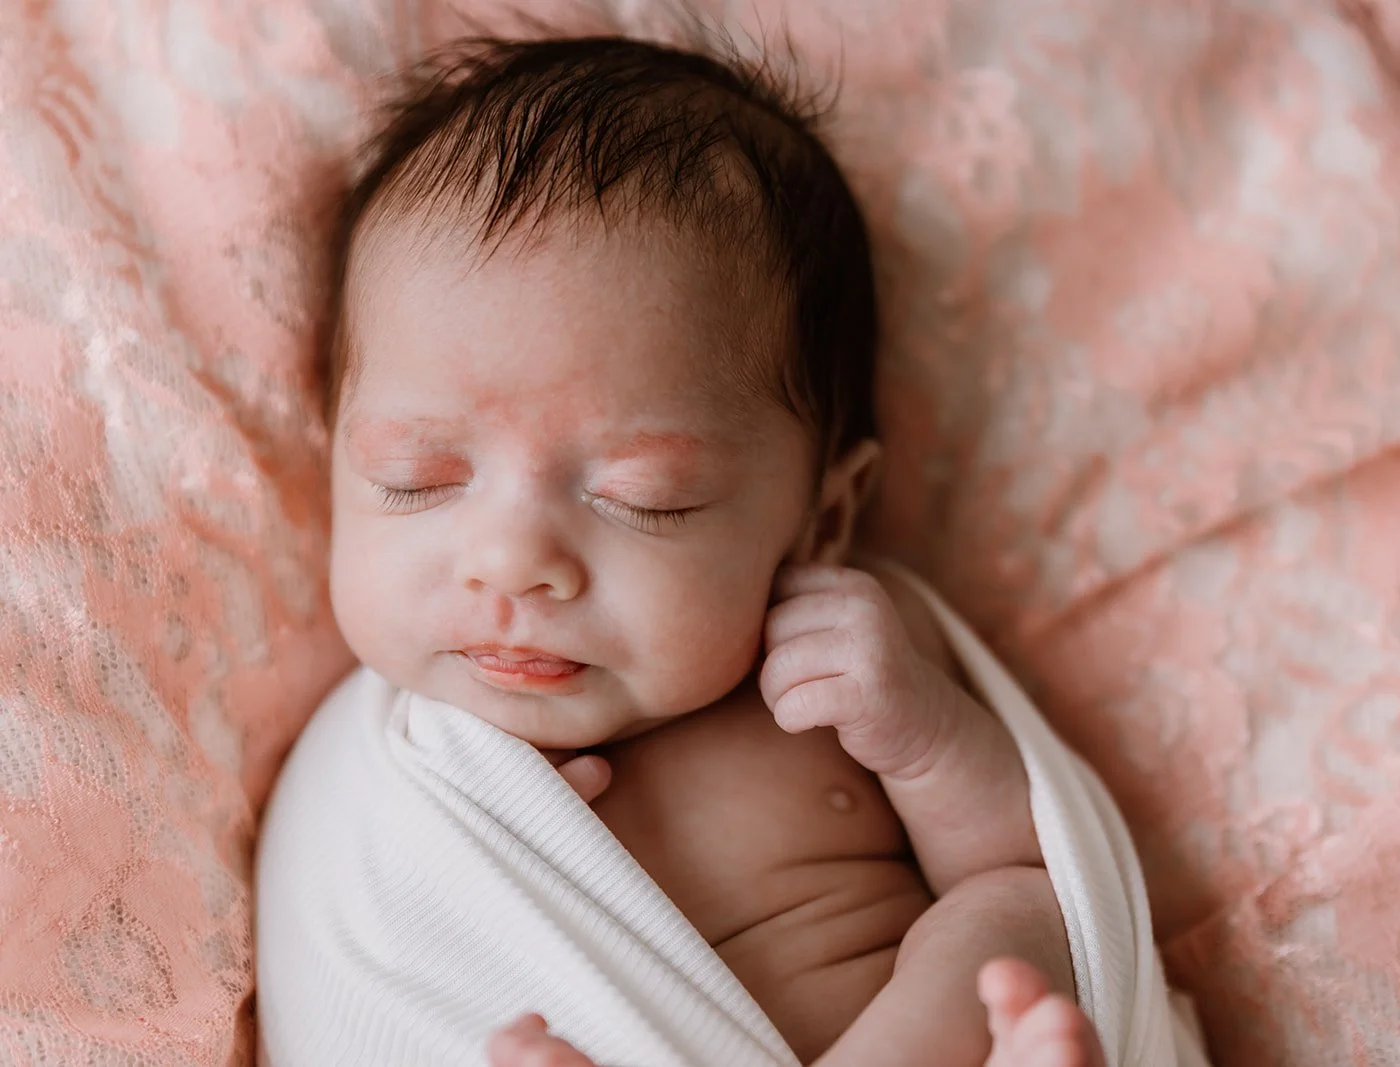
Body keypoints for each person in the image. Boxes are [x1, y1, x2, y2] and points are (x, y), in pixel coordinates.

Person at [290, 34, 1102, 1067]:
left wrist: (926, 738)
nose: (509, 560)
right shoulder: (378, 782)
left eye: (642, 498)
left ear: (820, 516)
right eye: (417, 477)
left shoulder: (843, 672)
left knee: (1017, 926)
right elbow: (358, 991)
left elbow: (1048, 871)